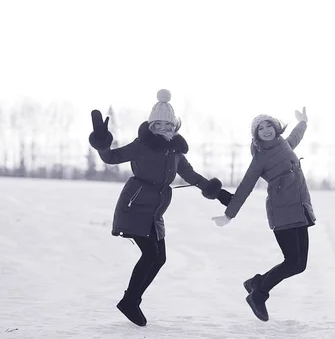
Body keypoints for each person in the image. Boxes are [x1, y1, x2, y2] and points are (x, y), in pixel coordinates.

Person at [89, 89, 232, 326]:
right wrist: (102, 142)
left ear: (174, 126)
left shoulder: (175, 152)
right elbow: (111, 158)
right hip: (134, 205)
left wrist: (219, 194)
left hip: (155, 211)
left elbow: (192, 175)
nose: (163, 128)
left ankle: (132, 301)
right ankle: (130, 301)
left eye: (168, 125)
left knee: (160, 258)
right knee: (151, 254)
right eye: (158, 124)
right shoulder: (141, 145)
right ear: (151, 125)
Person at [211, 108, 314, 322]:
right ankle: (258, 295)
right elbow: (245, 186)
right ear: (255, 134)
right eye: (260, 128)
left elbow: (296, 136)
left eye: (268, 125)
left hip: (299, 208)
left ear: (276, 127)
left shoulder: (284, 143)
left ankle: (255, 283)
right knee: (292, 261)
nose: (266, 130)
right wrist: (229, 214)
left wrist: (303, 122)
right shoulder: (261, 158)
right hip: (281, 211)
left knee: (300, 264)